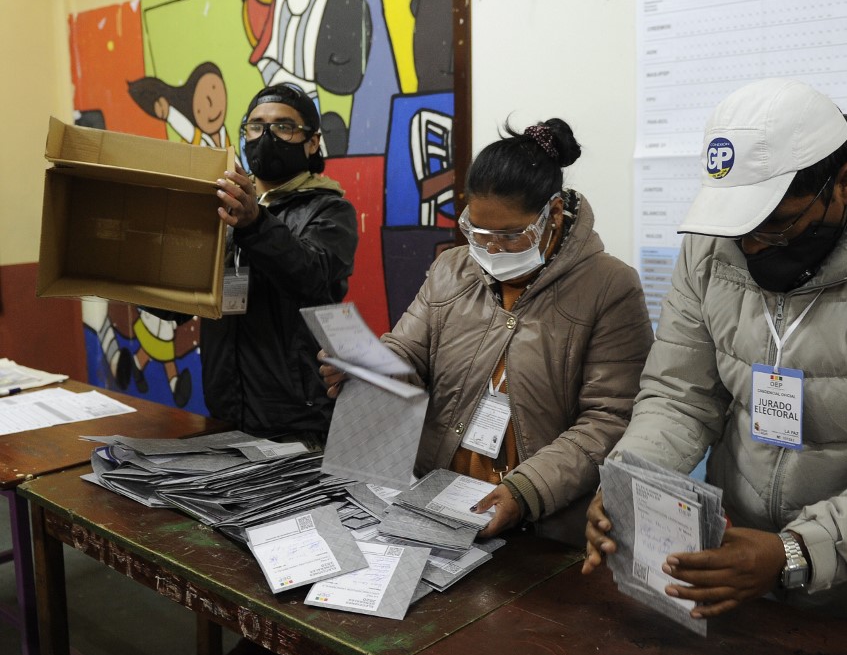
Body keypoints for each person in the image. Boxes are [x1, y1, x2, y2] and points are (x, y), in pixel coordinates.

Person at [582, 78, 847, 646]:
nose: (753, 248)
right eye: (739, 229)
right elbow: (679, 396)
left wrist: (795, 551)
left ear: (846, 184)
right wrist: (630, 481)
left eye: (776, 225)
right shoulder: (716, 246)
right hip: (744, 573)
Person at [321, 118, 653, 546]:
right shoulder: (452, 269)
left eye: (511, 236)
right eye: (479, 233)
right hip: (439, 503)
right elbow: (408, 351)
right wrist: (371, 367)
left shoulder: (609, 287)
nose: (491, 250)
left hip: (544, 525)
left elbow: (610, 419)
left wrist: (526, 490)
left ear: (553, 213)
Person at [157, 82, 357, 443]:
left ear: (312, 142)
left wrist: (255, 222)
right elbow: (180, 306)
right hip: (225, 412)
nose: (266, 135)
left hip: (300, 422)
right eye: (256, 126)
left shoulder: (330, 210)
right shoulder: (223, 208)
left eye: (284, 126)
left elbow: (311, 278)